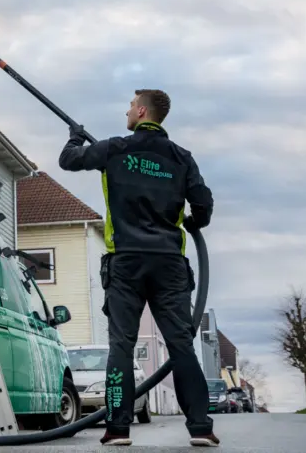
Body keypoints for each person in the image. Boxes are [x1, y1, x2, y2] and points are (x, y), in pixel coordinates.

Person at [59, 89, 218, 448]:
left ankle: (117, 429)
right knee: (181, 346)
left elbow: (68, 160)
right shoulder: (181, 158)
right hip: (169, 264)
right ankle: (201, 428)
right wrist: (192, 222)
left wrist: (74, 136)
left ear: (142, 110)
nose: (127, 110)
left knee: (121, 347)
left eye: (131, 105)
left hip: (126, 262)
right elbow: (204, 206)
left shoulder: (115, 149)